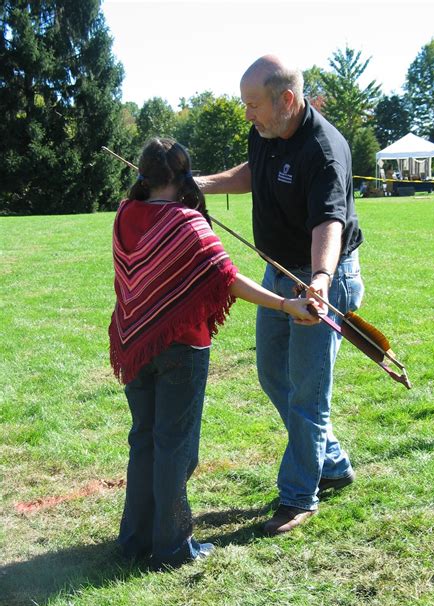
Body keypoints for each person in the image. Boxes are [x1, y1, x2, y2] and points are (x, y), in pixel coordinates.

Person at [109, 138, 319, 569]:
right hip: (181, 350)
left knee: (144, 440)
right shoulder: (188, 224)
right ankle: (170, 547)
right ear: (184, 176)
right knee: (176, 449)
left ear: (143, 175)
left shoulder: (125, 213)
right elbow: (229, 279)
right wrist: (285, 304)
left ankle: (135, 539)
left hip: (135, 343)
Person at [196, 55, 364, 536]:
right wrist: (199, 184)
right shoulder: (269, 132)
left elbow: (329, 222)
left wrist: (321, 280)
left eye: (253, 105)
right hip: (279, 274)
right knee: (274, 375)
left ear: (286, 100)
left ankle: (298, 496)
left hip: (321, 277)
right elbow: (255, 171)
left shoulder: (324, 150)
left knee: (308, 394)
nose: (247, 114)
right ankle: (330, 462)